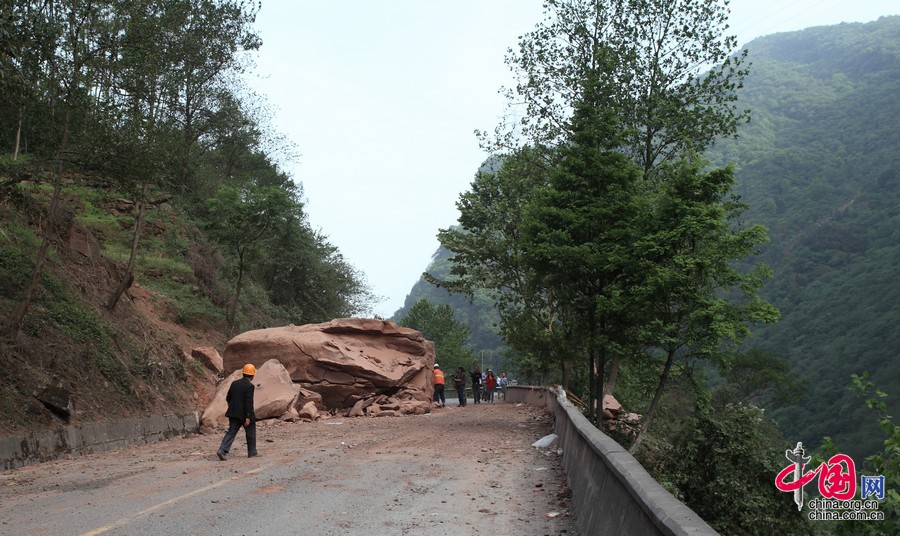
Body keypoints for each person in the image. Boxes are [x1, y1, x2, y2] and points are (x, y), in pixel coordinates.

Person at [217, 363, 259, 460]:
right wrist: (248, 416)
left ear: (243, 373)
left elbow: (228, 397)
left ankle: (222, 450)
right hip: (244, 414)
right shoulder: (250, 386)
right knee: (250, 431)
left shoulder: (234, 383)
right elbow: (249, 402)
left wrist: (232, 407)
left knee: (231, 432)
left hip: (233, 413)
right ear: (252, 375)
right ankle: (252, 452)